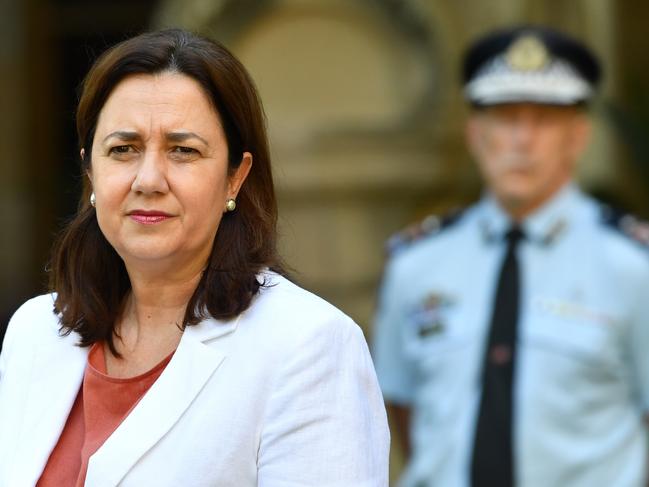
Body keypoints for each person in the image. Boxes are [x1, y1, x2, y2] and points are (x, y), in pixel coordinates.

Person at [0, 29, 389, 486]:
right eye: (122, 150)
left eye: (183, 151)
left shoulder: (309, 347)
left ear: (235, 178)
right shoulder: (36, 333)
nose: (148, 179)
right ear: (90, 171)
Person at [373, 25, 649, 487]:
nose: (523, 140)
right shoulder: (415, 264)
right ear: (475, 134)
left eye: (543, 119)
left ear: (578, 136)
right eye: (505, 117)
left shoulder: (633, 267)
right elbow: (403, 409)